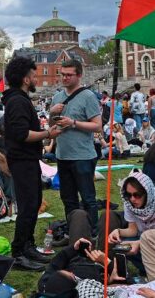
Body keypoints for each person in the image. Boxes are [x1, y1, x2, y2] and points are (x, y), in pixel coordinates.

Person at [3, 56, 62, 271]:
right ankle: (19, 253)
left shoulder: (20, 99)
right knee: (28, 206)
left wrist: (50, 119)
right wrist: (48, 132)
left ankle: (28, 246)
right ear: (26, 78)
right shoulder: (17, 101)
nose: (36, 78)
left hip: (27, 159)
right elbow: (21, 134)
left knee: (33, 203)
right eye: (33, 74)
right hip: (22, 160)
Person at [50, 59, 102, 230]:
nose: (64, 78)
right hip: (62, 155)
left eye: (69, 75)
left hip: (83, 156)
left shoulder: (88, 96)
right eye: (62, 74)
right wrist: (52, 113)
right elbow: (51, 126)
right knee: (68, 199)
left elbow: (97, 126)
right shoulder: (57, 97)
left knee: (88, 198)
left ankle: (93, 231)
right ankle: (73, 231)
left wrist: (73, 123)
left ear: (79, 75)